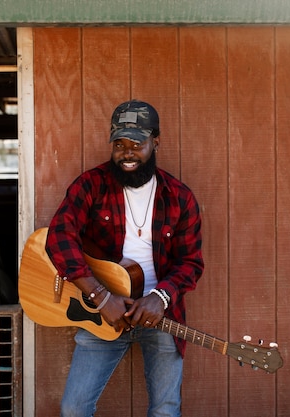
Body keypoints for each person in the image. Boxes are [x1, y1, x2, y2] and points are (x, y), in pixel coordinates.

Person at [45, 99, 204, 417]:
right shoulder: (91, 185)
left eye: (137, 143)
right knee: (74, 409)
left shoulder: (179, 197)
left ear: (155, 142)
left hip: (160, 315)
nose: (127, 153)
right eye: (119, 143)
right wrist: (100, 295)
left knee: (165, 410)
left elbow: (191, 262)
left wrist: (160, 297)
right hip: (100, 310)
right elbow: (59, 237)